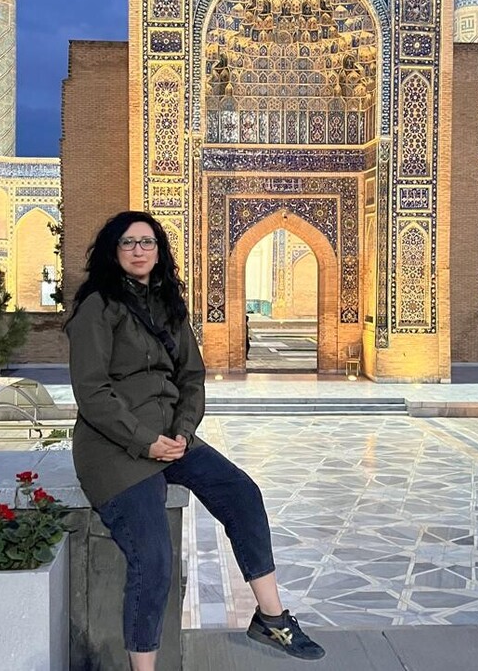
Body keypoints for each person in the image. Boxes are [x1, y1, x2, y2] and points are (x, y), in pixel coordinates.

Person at [65, 211, 325, 671]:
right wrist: (147, 443)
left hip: (172, 437)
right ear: (113, 251)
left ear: (160, 251)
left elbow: (192, 376)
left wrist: (182, 432)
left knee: (241, 493)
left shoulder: (167, 304)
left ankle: (271, 617)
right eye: (129, 243)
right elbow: (92, 394)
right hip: (115, 447)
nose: (140, 250)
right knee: (154, 558)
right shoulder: (97, 308)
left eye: (148, 242)